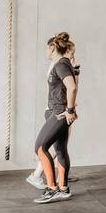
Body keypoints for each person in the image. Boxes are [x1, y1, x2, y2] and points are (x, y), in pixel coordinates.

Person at [27, 40, 81, 190]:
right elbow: (70, 88)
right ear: (65, 50)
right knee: (56, 149)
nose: (73, 55)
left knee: (46, 148)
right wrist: (70, 109)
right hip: (56, 111)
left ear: (53, 49)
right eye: (72, 52)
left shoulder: (62, 65)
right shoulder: (60, 65)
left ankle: (54, 187)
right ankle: (56, 185)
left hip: (59, 111)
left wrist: (70, 109)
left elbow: (72, 88)